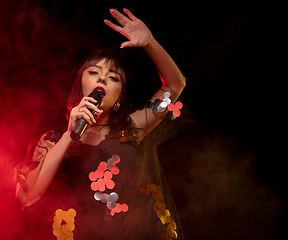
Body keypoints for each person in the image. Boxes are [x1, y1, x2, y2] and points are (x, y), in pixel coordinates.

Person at [13, 8, 186, 240]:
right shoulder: (52, 140)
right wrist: (69, 135)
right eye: (95, 72)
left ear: (119, 97)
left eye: (114, 77)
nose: (103, 78)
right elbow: (28, 198)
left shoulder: (132, 129)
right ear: (81, 84)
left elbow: (174, 86)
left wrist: (150, 43)